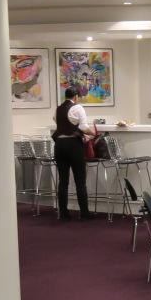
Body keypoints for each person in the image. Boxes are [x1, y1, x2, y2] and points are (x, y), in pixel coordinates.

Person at [52, 86, 96, 220]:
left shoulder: (58, 109)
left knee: (63, 181)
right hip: (73, 146)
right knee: (80, 181)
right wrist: (92, 133)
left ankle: (64, 214)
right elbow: (83, 126)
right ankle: (84, 213)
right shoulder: (78, 108)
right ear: (76, 96)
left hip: (59, 145)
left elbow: (57, 121)